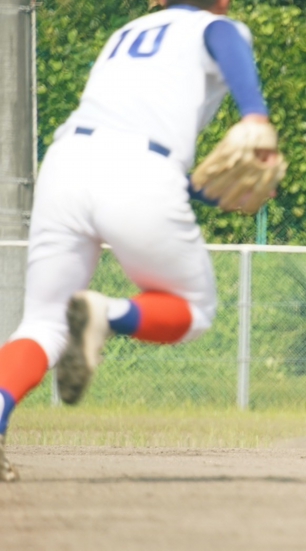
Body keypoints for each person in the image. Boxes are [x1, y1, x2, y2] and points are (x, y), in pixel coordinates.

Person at [0, 0, 283, 481]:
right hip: (139, 169)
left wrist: (198, 190)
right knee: (193, 309)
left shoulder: (128, 32)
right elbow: (221, 37)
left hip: (66, 162)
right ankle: (105, 313)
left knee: (43, 322)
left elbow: (132, 132)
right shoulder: (215, 26)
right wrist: (255, 114)